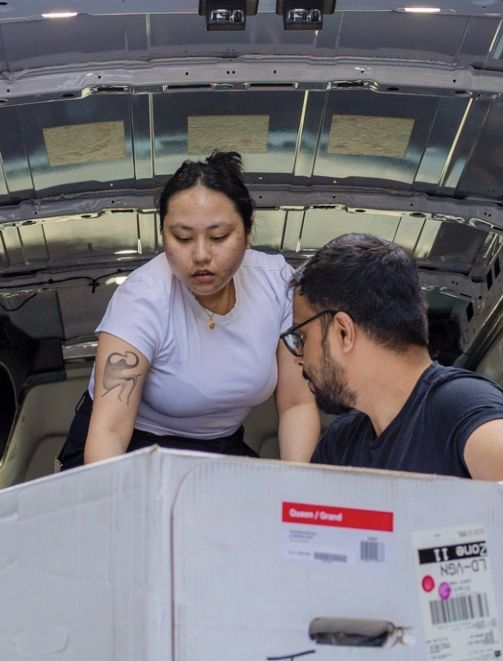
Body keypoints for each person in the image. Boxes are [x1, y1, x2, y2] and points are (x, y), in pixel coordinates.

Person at [286, 232, 503, 577]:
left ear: (343, 332)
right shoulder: (340, 445)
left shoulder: (456, 402)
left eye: (301, 337)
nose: (299, 358)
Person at [58, 151, 320, 469]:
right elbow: (110, 430)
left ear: (248, 231)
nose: (200, 255)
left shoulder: (276, 282)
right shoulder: (142, 299)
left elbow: (296, 403)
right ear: (164, 235)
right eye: (182, 238)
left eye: (218, 237)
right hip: (133, 448)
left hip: (219, 448)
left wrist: (300, 489)